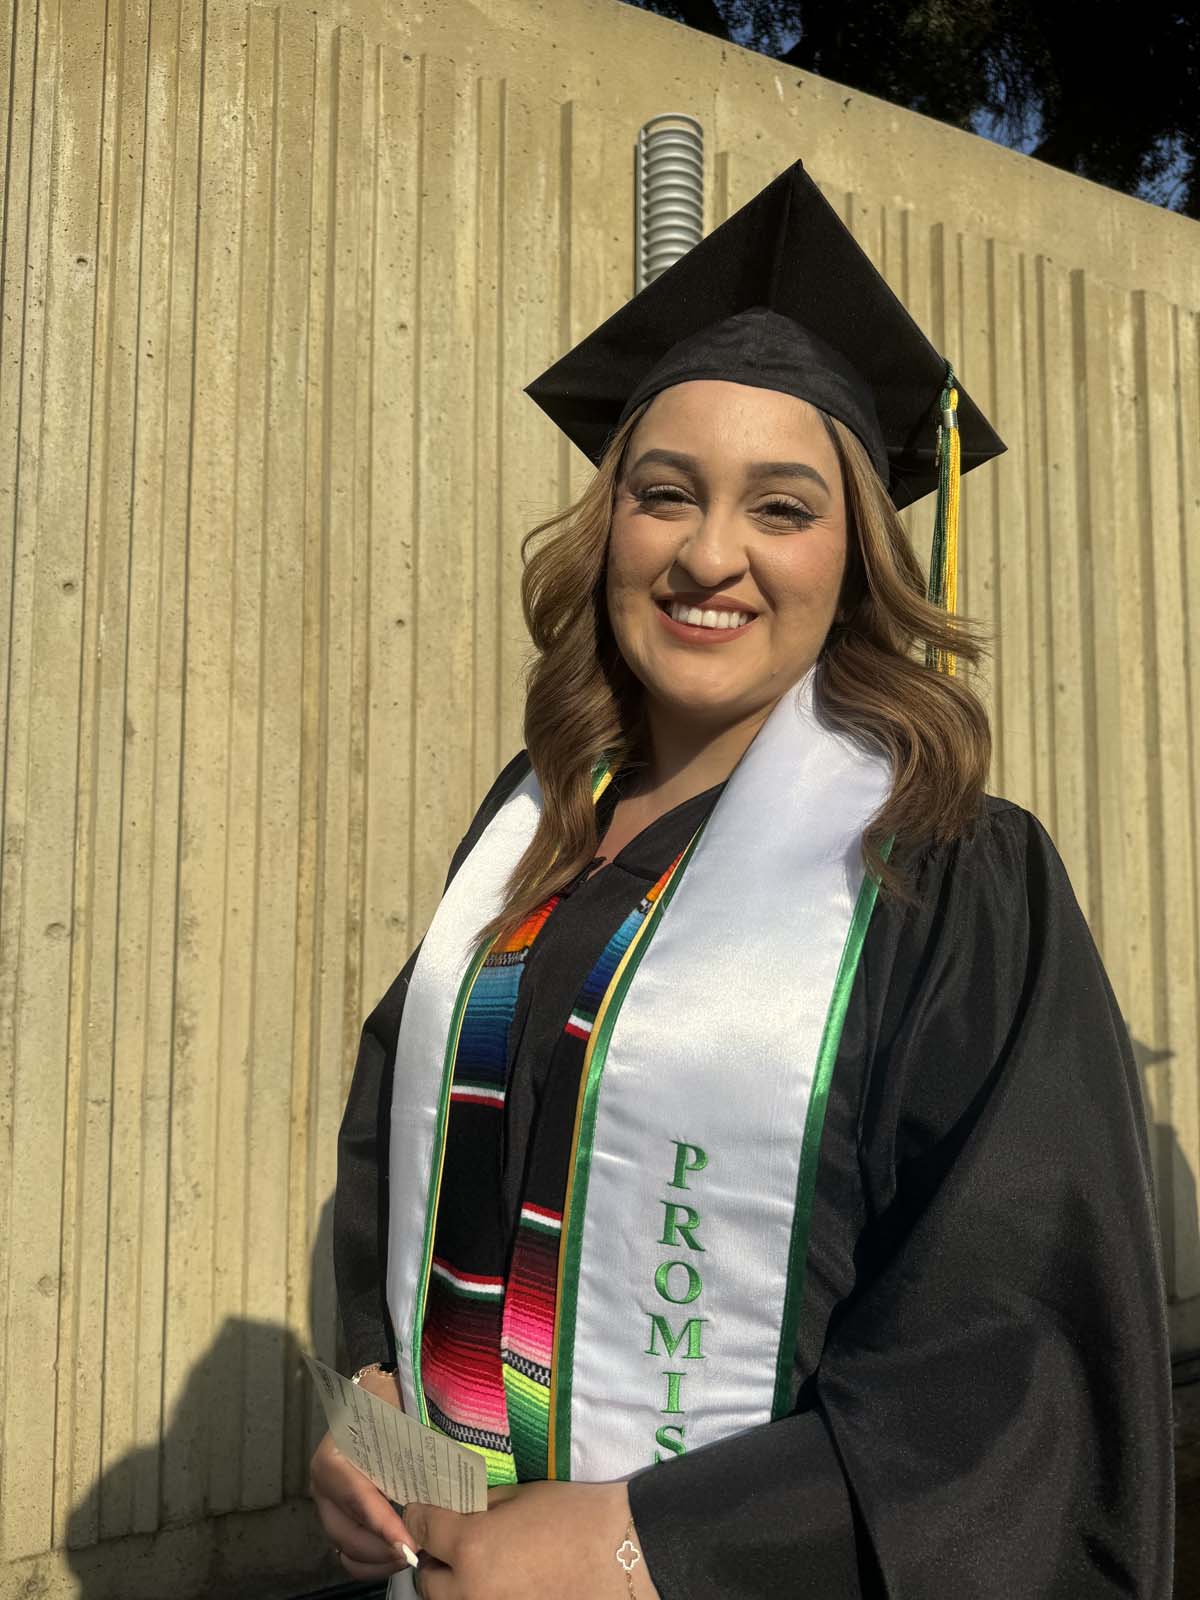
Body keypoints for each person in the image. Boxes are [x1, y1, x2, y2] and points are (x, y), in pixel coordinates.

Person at [309, 160, 1174, 1598]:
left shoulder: (947, 872)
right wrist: (368, 1412)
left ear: (857, 558)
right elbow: (390, 1165)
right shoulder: (526, 829)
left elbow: (1011, 1354)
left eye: (782, 508)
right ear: (609, 536)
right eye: (666, 496)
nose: (712, 553)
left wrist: (656, 1547)